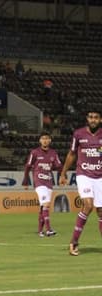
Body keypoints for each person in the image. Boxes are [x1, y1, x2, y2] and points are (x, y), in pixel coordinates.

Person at [59, 107, 102, 256]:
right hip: (84, 175)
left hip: (100, 177)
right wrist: (63, 173)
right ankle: (74, 242)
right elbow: (72, 154)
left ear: (100, 120)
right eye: (90, 117)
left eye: (96, 117)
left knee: (101, 211)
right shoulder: (78, 134)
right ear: (87, 119)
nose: (93, 120)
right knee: (88, 205)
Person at [22, 131, 62, 237]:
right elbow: (28, 166)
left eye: (47, 138)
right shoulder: (34, 152)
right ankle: (48, 230)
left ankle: (40, 231)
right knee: (46, 204)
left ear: (50, 140)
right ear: (40, 140)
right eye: (43, 138)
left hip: (48, 182)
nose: (45, 140)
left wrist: (63, 176)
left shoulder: (53, 153)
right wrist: (25, 181)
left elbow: (58, 166)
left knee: (43, 206)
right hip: (38, 182)